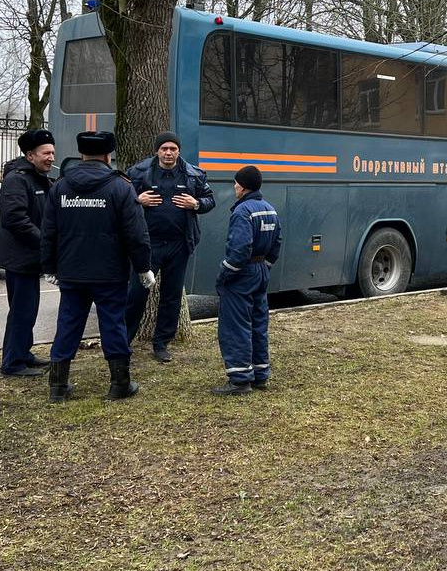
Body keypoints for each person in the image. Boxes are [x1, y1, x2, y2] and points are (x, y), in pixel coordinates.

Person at [41, 130, 154, 403]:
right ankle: (119, 384)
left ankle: (58, 386)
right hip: (109, 272)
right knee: (113, 324)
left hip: (71, 272)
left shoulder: (61, 187)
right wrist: (143, 268)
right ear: (107, 156)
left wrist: (49, 267)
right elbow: (136, 235)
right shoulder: (121, 187)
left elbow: (48, 232)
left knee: (67, 324)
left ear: (82, 155)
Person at [125, 132, 215, 363]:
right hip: (148, 246)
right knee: (136, 295)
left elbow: (209, 201)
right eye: (164, 148)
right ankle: (123, 342)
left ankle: (161, 344)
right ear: (157, 150)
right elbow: (121, 201)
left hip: (179, 244)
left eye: (173, 149)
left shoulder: (193, 174)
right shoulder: (138, 172)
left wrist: (196, 204)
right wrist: (137, 200)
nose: (168, 152)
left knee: (171, 296)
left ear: (178, 151)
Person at [0, 129, 57, 377]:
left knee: (27, 310)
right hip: (19, 258)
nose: (51, 157)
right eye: (45, 153)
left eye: (52, 152)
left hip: (29, 258)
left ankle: (23, 353)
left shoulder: (38, 177)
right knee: (22, 310)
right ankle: (13, 363)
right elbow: (15, 219)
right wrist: (45, 243)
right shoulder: (17, 180)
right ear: (30, 155)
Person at [212, 165, 282, 396]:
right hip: (261, 270)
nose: (234, 187)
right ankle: (260, 375)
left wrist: (225, 274)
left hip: (243, 274)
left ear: (242, 186)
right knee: (258, 324)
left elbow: (239, 250)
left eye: (235, 183)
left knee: (236, 326)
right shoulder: (269, 209)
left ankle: (240, 379)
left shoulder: (243, 211)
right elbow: (277, 243)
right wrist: (265, 266)